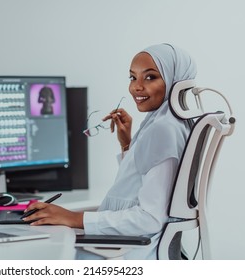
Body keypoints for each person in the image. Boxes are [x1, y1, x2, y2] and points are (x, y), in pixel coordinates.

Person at [23, 43, 197, 259]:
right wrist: (127, 145)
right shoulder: (169, 121)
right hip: (134, 246)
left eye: (150, 77)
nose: (136, 87)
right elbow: (141, 185)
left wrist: (74, 218)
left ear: (175, 80)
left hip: (131, 252)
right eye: (133, 77)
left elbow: (150, 217)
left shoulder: (164, 128)